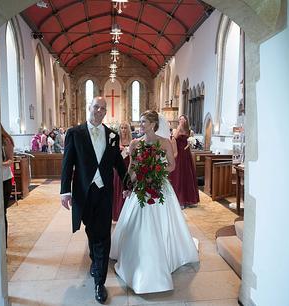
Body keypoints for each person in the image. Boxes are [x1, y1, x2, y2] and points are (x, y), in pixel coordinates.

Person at [110, 110, 199, 294]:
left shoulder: (164, 142)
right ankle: (135, 259)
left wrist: (155, 171)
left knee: (160, 223)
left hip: (159, 185)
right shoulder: (135, 143)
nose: (140, 125)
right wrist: (129, 185)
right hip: (140, 187)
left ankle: (163, 257)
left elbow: (172, 165)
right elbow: (133, 168)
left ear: (153, 123)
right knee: (136, 222)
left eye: (143, 122)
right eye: (140, 122)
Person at [60, 96, 127, 304]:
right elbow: (67, 163)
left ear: (106, 112)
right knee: (91, 230)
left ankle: (100, 281)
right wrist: (65, 191)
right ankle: (95, 260)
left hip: (104, 192)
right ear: (89, 108)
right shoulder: (74, 133)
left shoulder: (113, 136)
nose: (99, 111)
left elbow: (118, 164)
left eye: (103, 108)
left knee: (103, 235)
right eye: (96, 107)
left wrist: (128, 185)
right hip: (84, 192)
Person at [169, 115, 200, 208]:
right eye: (180, 119)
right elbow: (174, 137)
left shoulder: (190, 131)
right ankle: (179, 200)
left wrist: (190, 143)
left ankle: (190, 199)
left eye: (183, 119)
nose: (182, 120)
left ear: (186, 120)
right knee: (178, 176)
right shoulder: (175, 130)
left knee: (188, 176)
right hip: (178, 155)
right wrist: (180, 126)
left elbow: (190, 144)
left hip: (186, 155)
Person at [112, 122, 132, 221]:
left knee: (127, 186)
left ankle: (127, 213)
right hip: (118, 167)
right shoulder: (116, 140)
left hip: (128, 165)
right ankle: (117, 213)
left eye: (125, 128)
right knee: (118, 187)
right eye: (122, 128)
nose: (123, 130)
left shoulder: (131, 140)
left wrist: (129, 151)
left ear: (128, 129)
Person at [1, 124, 14, 248]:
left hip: (5, 179)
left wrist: (1, 163)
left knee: (1, 211)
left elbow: (11, 159)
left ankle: (3, 244)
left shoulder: (5, 140)